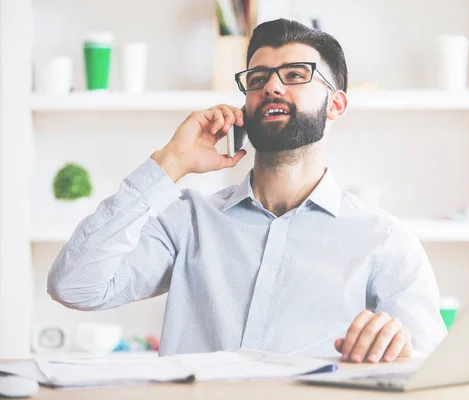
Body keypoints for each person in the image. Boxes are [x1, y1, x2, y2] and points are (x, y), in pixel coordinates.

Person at [47, 18, 447, 363]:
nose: (272, 87)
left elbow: (431, 369)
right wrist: (171, 163)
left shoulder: (384, 241)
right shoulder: (188, 220)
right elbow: (76, 286)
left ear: (336, 104)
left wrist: (398, 349)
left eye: (294, 75)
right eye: (258, 79)